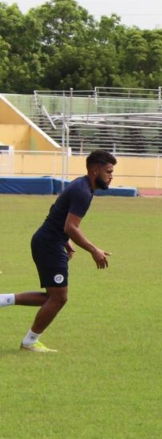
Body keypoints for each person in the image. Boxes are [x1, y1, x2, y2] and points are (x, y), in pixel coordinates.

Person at [1, 150, 117, 352]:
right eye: (108, 171)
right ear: (95, 170)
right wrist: (93, 250)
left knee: (53, 297)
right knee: (59, 298)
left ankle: (3, 301)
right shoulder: (82, 192)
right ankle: (29, 342)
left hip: (49, 241)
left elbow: (57, 211)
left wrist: (65, 241)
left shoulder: (81, 186)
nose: (111, 176)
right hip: (48, 244)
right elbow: (71, 227)